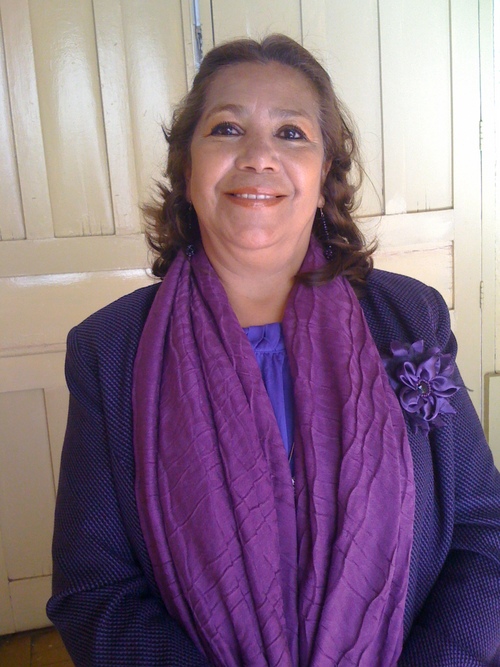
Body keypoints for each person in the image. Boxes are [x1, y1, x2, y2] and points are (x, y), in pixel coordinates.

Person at [47, 34, 500, 666]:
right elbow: (95, 593)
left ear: (324, 177)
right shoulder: (110, 349)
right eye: (227, 129)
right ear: (187, 171)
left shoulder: (409, 316)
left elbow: (482, 530)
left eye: (291, 133)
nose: (258, 155)